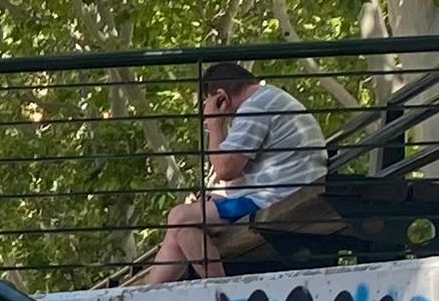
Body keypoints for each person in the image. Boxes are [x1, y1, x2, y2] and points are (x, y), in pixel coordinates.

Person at [142, 57, 331, 284]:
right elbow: (239, 171)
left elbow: (225, 169)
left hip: (278, 197)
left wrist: (214, 124)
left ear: (221, 96)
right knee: (183, 230)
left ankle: (220, 290)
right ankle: (147, 294)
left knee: (180, 217)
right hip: (283, 189)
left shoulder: (256, 107)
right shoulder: (269, 100)